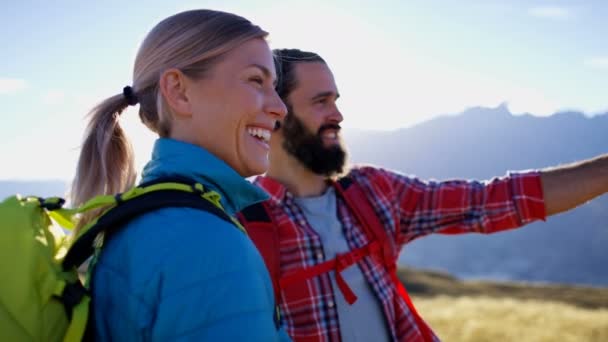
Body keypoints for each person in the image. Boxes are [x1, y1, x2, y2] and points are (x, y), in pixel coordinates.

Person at [239, 48, 608, 342]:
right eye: (321, 102)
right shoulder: (240, 225)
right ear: (276, 113)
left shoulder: (374, 193)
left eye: (336, 100)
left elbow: (495, 200)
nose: (338, 115)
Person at [69, 10, 288, 341]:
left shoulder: (139, 219)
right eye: (256, 80)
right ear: (179, 91)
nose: (280, 108)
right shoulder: (209, 244)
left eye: (275, 86)